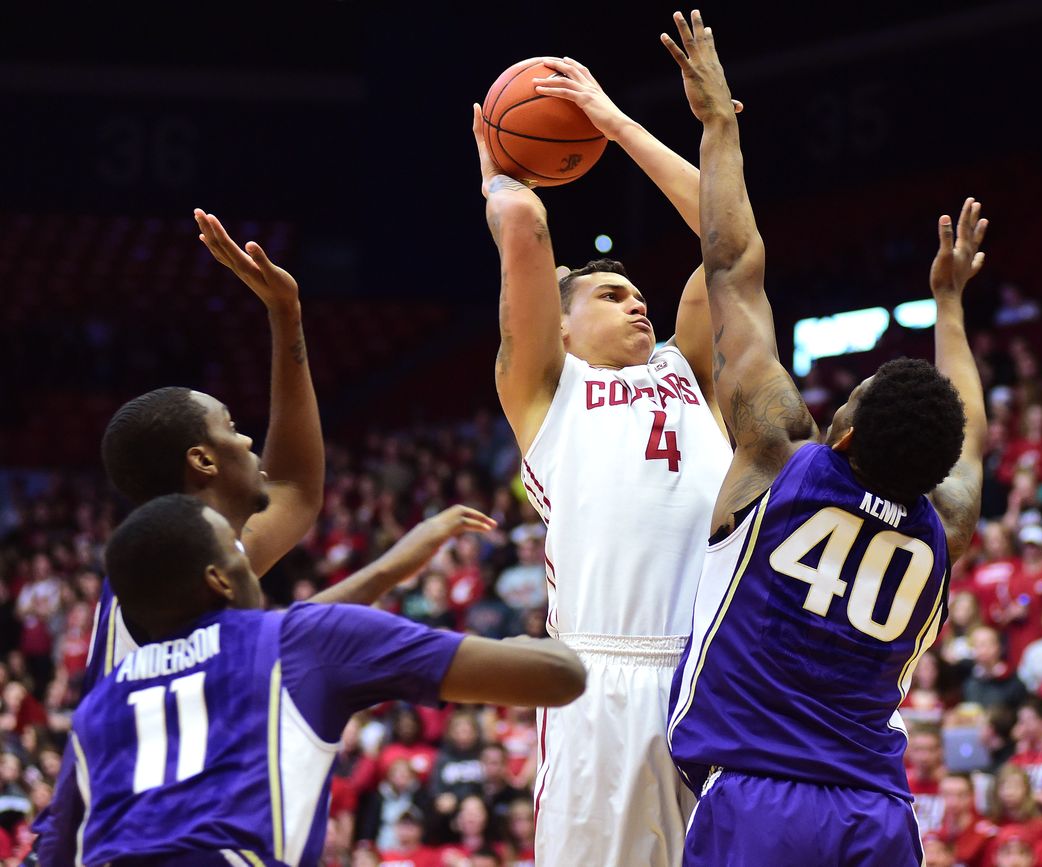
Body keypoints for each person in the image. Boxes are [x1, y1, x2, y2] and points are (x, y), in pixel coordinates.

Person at [34, 213, 499, 857]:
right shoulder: (171, 574)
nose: (248, 437)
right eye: (231, 426)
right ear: (202, 460)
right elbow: (287, 638)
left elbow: (298, 492)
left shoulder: (196, 549)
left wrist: (287, 316)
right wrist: (391, 569)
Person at [661, 11, 988, 865]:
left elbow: (732, 267)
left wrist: (719, 125)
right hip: (878, 814)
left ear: (840, 436)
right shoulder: (942, 522)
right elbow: (973, 444)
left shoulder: (777, 456)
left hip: (757, 794)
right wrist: (949, 306)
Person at [472, 50, 733, 867]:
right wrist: (500, 166)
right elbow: (523, 224)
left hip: (709, 680)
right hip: (599, 681)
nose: (637, 301)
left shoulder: (691, 371)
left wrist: (616, 124)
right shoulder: (546, 388)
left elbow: (727, 239)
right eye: (610, 295)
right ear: (563, 325)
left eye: (637, 294)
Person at [38, 494, 586, 865]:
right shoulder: (295, 640)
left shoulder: (96, 706)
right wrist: (520, 647)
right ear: (218, 580)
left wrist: (392, 567)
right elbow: (560, 677)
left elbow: (55, 850)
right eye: (236, 546)